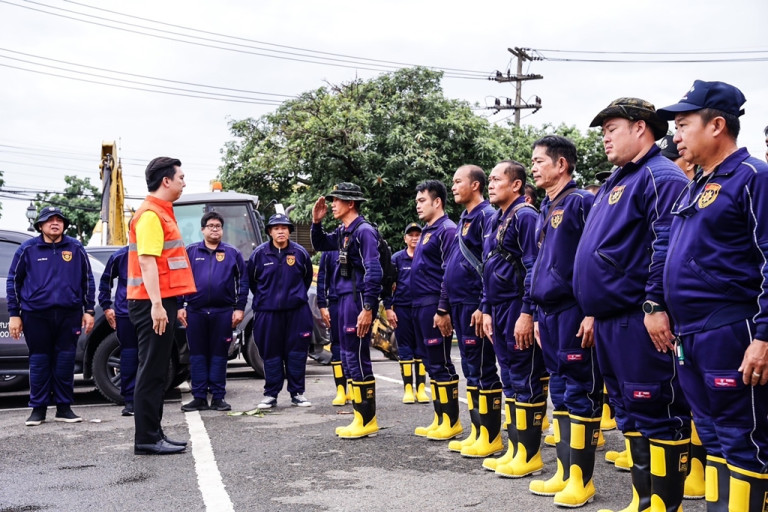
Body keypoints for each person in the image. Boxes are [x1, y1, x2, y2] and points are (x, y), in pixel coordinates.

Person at [574, 98, 691, 511]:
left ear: (641, 127)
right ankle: (644, 501)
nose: (605, 138)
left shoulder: (660, 175)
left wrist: (654, 304)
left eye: (612, 129)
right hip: (609, 318)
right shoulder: (617, 180)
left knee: (656, 410)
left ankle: (663, 505)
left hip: (638, 318)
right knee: (629, 412)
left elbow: (666, 245)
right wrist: (592, 308)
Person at [659, 80, 768, 510]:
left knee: (743, 438)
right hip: (691, 334)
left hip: (731, 330)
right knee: (712, 435)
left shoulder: (753, 177)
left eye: (684, 124)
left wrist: (764, 337)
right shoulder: (697, 185)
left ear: (717, 125)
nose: (676, 136)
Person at [526, 136, 601, 507]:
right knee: (559, 392)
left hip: (573, 310)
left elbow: (596, 257)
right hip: (548, 314)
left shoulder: (581, 201)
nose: (534, 167)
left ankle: (581, 481)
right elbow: (538, 264)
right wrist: (533, 312)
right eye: (533, 161)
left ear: (562, 164)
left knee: (578, 392)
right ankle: (564, 471)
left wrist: (592, 309)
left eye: (540, 161)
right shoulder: (546, 205)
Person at [128, 157, 197, 456]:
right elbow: (147, 261)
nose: (184, 182)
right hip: (150, 303)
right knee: (151, 370)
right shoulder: (150, 215)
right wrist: (157, 305)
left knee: (157, 370)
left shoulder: (162, 212)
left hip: (159, 301)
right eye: (181, 177)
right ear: (166, 181)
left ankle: (154, 433)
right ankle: (146, 438)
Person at [479, 161, 544, 478]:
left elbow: (534, 267)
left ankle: (530, 455)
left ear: (516, 185)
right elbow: (487, 266)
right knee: (509, 380)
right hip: (499, 308)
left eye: (496, 179)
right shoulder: (496, 218)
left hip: (518, 306)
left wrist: (527, 312)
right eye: (489, 179)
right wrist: (486, 309)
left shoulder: (525, 216)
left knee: (524, 377)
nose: (490, 184)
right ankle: (515, 449)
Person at [7, 206, 95, 426]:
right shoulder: (28, 249)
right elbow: (13, 281)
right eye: (49, 220)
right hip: (36, 315)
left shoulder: (75, 247)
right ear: (40, 225)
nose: (55, 223)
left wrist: (89, 310)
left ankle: (64, 409)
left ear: (64, 225)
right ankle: (38, 409)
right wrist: (14, 314)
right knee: (40, 361)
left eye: (59, 220)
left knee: (65, 361)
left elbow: (87, 279)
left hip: (69, 314)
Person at [311, 183, 383, 439]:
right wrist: (316, 223)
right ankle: (360, 417)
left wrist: (368, 307)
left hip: (357, 299)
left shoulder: (364, 232)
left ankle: (367, 420)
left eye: (337, 200)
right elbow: (321, 244)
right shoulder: (344, 231)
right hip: (342, 299)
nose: (332, 204)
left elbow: (374, 270)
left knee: (357, 356)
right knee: (348, 356)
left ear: (351, 203)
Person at [440, 166, 503, 458]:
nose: (453, 187)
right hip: (459, 303)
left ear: (475, 185)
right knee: (470, 369)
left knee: (482, 367)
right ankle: (477, 432)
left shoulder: (486, 216)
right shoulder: (464, 219)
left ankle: (490, 436)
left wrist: (482, 304)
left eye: (458, 182)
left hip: (474, 304)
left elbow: (489, 263)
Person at [178, 212, 248, 413]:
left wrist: (239, 308)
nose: (215, 229)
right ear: (203, 230)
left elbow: (243, 282)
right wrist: (180, 306)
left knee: (219, 355)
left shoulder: (232, 253)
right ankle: (199, 398)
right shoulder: (190, 251)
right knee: (198, 355)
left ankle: (218, 397)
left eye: (218, 226)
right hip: (195, 312)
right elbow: (179, 279)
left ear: (222, 230)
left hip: (223, 312)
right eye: (210, 226)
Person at [409, 180, 461, 441]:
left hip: (433, 304)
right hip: (418, 304)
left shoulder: (447, 230)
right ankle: (439, 418)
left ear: (437, 201)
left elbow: (448, 272)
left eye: (422, 200)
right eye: (417, 201)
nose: (418, 205)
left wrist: (442, 308)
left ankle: (451, 422)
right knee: (431, 364)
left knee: (441, 363)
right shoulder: (428, 230)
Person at [249, 213, 314, 410]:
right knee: (271, 353)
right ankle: (271, 394)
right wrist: (268, 300)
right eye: (276, 228)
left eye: (284, 228)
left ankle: (297, 393)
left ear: (289, 231)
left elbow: (306, 279)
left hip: (297, 312)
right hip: (267, 313)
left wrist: (293, 297)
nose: (280, 231)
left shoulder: (300, 253)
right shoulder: (259, 254)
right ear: (270, 232)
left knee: (296, 353)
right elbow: (252, 282)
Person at [383, 222, 430, 405]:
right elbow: (387, 285)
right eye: (411, 235)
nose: (414, 238)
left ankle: (421, 388)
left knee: (421, 348)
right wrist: (388, 308)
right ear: (405, 238)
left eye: (418, 235)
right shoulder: (397, 259)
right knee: (405, 349)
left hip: (422, 308)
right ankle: (408, 388)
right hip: (402, 308)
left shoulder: (426, 256)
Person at [98, 245, 138, 416]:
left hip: (152, 313)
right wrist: (106, 307)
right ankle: (130, 401)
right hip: (126, 313)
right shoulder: (120, 256)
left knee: (152, 356)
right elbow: (105, 282)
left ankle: (149, 399)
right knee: (129, 354)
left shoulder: (157, 253)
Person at [317, 248, 351, 406]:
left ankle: (353, 387)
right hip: (336, 302)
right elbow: (322, 278)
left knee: (354, 344)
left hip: (355, 301)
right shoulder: (329, 249)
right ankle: (340, 390)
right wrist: (322, 305)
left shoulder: (359, 243)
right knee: (337, 344)